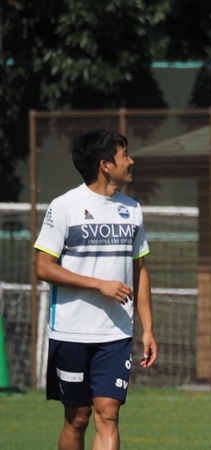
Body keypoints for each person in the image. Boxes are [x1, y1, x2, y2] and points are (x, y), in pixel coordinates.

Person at [34, 129, 157, 450]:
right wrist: (99, 284)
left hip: (116, 334)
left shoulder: (132, 209)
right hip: (71, 332)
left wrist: (148, 329)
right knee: (77, 418)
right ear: (105, 165)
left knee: (108, 414)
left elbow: (140, 271)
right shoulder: (65, 206)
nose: (131, 161)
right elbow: (43, 267)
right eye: (124, 155)